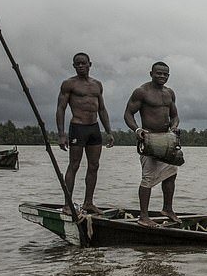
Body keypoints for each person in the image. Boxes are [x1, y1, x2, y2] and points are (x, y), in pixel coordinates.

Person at [55, 52, 114, 214]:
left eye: (83, 63)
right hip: (78, 127)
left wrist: (109, 131)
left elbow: (101, 109)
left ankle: (88, 202)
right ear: (74, 66)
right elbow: (61, 108)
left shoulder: (97, 85)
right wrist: (61, 134)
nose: (81, 66)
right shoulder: (69, 84)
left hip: (94, 128)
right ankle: (68, 204)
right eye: (77, 64)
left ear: (90, 64)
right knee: (74, 165)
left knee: (94, 166)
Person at [124, 61, 181, 227]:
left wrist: (174, 127)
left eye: (165, 74)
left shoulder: (169, 93)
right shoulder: (142, 92)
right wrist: (137, 130)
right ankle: (143, 216)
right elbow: (128, 113)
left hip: (166, 139)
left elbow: (175, 116)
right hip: (149, 139)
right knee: (148, 178)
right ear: (151, 73)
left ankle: (167, 209)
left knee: (171, 174)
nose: (162, 76)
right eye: (159, 73)